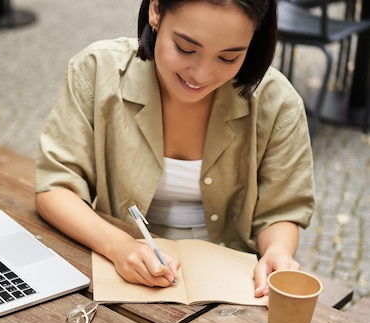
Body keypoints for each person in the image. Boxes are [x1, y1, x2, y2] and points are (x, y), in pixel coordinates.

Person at [34, 0, 314, 298]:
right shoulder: (96, 71)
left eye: (229, 57)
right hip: (122, 274)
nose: (202, 75)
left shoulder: (277, 102)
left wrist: (277, 251)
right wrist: (119, 246)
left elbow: (281, 210)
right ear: (156, 10)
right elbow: (55, 188)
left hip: (234, 287)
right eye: (186, 49)